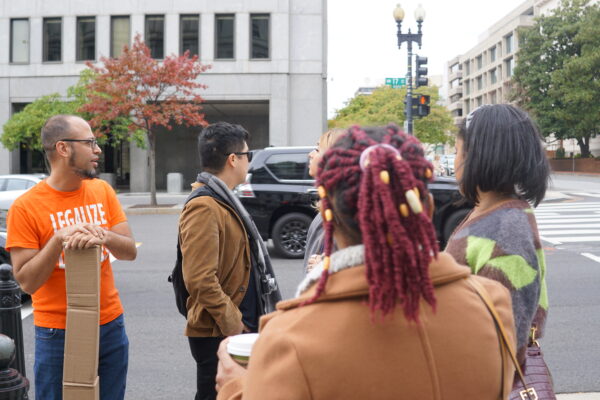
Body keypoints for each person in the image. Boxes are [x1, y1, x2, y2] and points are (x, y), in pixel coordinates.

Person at [215, 125, 517, 399]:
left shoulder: (289, 338)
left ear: (328, 215)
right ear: (425, 208)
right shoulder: (492, 305)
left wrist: (236, 387)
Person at [6, 115, 137, 400]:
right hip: (57, 331)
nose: (97, 149)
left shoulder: (102, 191)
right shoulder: (26, 207)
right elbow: (26, 282)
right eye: (89, 142)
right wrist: (57, 241)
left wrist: (104, 235)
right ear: (63, 148)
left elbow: (130, 252)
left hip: (109, 323)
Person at [180, 122, 280, 400]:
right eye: (248, 154)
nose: (250, 160)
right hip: (219, 330)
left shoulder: (223, 199)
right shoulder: (204, 206)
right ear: (233, 159)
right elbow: (199, 279)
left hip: (233, 327)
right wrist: (234, 322)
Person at [445, 104, 551, 362]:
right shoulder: (491, 212)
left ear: (478, 156)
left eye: (457, 152)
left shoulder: (506, 232)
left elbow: (506, 342)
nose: (454, 162)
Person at [303, 128, 345, 273]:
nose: (310, 154)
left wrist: (325, 268)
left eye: (317, 149)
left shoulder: (341, 211)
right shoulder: (331, 205)